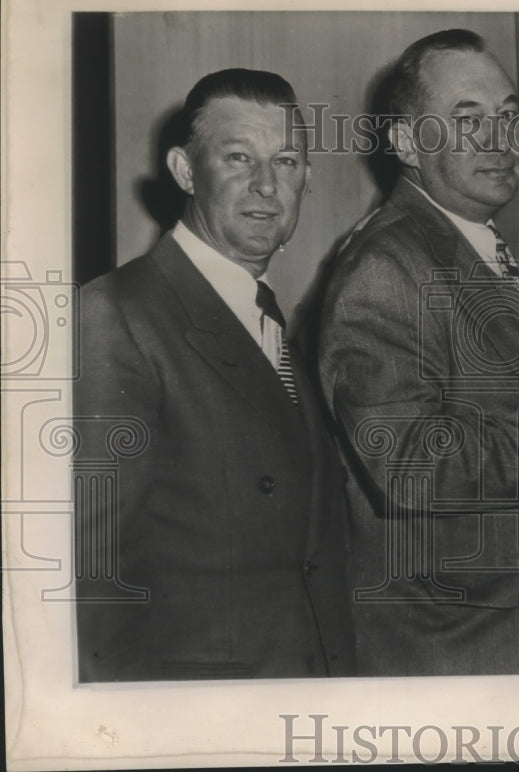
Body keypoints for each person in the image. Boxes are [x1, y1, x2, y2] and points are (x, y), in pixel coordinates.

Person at [318, 29, 519, 676]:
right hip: (470, 656)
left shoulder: (472, 245)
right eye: (467, 120)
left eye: (509, 116)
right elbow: (405, 460)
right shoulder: (387, 264)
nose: (499, 139)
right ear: (407, 143)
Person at [74, 68, 355, 681]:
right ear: (184, 171)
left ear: (307, 178)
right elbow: (93, 580)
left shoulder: (270, 321)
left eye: (286, 161)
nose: (266, 185)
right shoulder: (115, 314)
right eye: (237, 158)